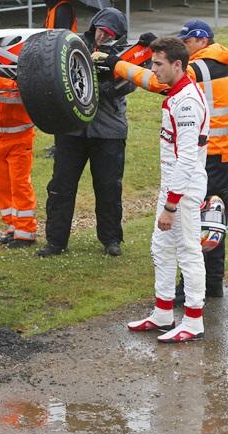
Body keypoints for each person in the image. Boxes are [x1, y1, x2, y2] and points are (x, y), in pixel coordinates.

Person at [105, 19, 228, 303]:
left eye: (186, 41)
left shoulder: (199, 68)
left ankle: (192, 292)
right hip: (219, 155)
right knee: (215, 220)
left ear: (202, 41)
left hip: (206, 156)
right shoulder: (219, 59)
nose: (183, 47)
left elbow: (158, 82)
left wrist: (117, 65)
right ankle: (211, 284)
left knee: (195, 228)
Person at [127, 37, 209, 342]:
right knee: (161, 247)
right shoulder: (176, 94)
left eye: (158, 64)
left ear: (177, 64)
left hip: (183, 191)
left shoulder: (186, 101)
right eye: (152, 62)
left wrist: (171, 205)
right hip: (173, 185)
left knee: (189, 251)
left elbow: (187, 158)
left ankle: (194, 319)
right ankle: (163, 312)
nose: (153, 70)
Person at [36, 8, 135, 257]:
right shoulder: (73, 46)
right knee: (60, 187)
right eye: (101, 31)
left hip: (109, 133)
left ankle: (111, 239)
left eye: (110, 34)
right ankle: (56, 241)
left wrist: (102, 83)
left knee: (109, 188)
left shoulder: (125, 56)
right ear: (94, 27)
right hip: (71, 131)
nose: (103, 37)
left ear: (119, 36)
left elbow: (129, 84)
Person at [0, 76, 37, 248]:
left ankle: (25, 233)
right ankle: (12, 225)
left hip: (19, 138)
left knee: (20, 185)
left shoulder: (19, 69)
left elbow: (21, 90)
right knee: (0, 186)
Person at [42, 0, 77, 159]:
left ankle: (62, 145)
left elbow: (60, 37)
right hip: (54, 61)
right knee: (55, 104)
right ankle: (59, 143)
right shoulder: (54, 7)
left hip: (61, 62)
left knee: (61, 104)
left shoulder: (62, 8)